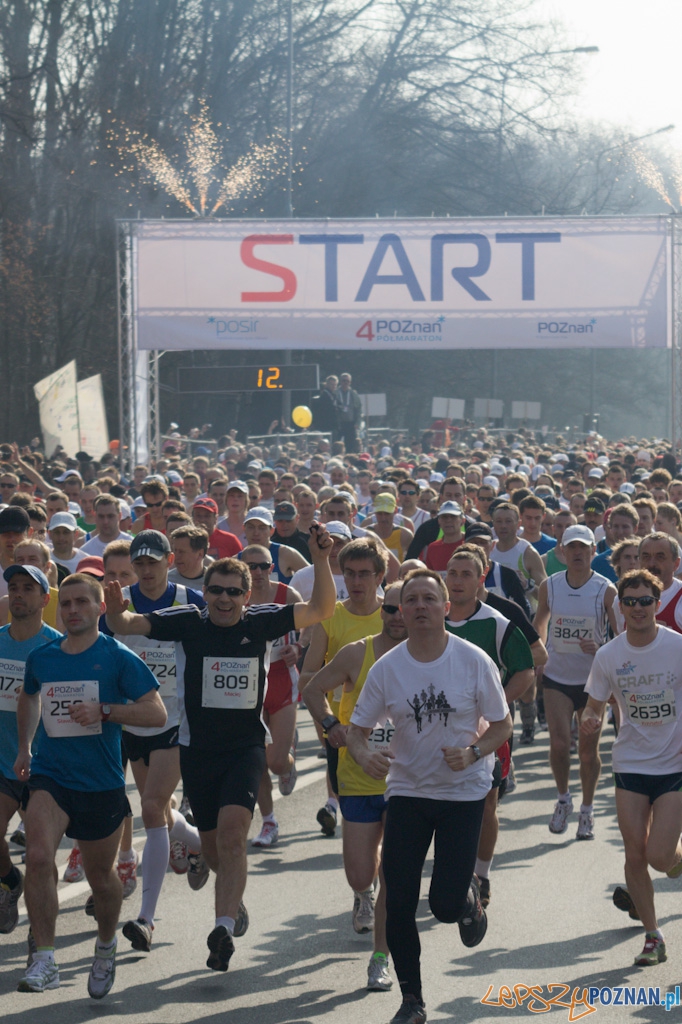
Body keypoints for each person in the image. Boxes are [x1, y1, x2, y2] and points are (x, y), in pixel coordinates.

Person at [104, 524, 335, 974]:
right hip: (197, 749)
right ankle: (233, 902)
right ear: (204, 593)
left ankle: (222, 930)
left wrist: (321, 559)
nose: (224, 599)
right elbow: (130, 624)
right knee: (212, 851)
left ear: (247, 596)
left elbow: (323, 607)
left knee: (233, 837)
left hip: (245, 748)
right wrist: (116, 611)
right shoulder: (189, 622)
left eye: (233, 592)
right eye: (216, 591)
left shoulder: (263, 621)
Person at [347, 569, 511, 1024]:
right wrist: (364, 757)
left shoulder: (473, 660)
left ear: (445, 607)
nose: (419, 606)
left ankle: (466, 899)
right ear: (401, 611)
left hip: (463, 793)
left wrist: (474, 751)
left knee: (441, 905)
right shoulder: (388, 668)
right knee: (399, 899)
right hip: (408, 791)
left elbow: (502, 726)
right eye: (410, 600)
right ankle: (412, 1000)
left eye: (428, 598)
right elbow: (357, 732)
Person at [15, 572, 166, 997]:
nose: (73, 610)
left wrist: (105, 710)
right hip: (51, 774)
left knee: (101, 879)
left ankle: (105, 945)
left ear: (101, 608)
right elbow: (29, 695)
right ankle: (44, 957)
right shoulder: (42, 657)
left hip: (100, 782)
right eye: (66, 604)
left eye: (83, 602)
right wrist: (25, 748)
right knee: (40, 855)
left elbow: (155, 714)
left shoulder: (117, 657)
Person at [302, 582, 407, 993]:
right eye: (393, 608)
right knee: (361, 873)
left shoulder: (433, 654)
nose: (399, 616)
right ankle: (364, 892)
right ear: (382, 609)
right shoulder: (356, 652)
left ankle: (380, 956)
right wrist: (331, 725)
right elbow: (311, 688)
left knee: (395, 874)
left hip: (408, 781)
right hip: (358, 775)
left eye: (406, 608)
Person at [109, 530, 207, 954]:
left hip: (176, 720)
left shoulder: (190, 600)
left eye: (154, 562)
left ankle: (146, 919)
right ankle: (202, 844)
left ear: (170, 560)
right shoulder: (119, 600)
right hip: (133, 721)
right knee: (162, 810)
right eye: (140, 563)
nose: (146, 570)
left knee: (150, 806)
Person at [582, 569, 682, 967]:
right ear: (620, 607)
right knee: (635, 852)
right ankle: (652, 937)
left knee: (660, 855)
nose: (638, 608)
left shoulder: (677, 647)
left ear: (658, 605)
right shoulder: (609, 655)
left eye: (646, 601)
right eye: (630, 602)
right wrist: (590, 720)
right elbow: (594, 705)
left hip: (673, 763)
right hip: (630, 763)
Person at [444, 546, 534, 907]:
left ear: (481, 579)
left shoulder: (497, 623)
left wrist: (495, 708)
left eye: (467, 574)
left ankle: (481, 873)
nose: (459, 580)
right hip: (437, 733)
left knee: (485, 806)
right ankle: (452, 870)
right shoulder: (432, 617)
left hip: (487, 734)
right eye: (453, 573)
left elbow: (526, 670)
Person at [533, 525, 617, 840]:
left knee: (586, 751)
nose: (578, 553)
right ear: (564, 552)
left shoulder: (605, 589)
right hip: (557, 676)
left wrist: (600, 649)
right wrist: (538, 656)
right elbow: (540, 623)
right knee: (557, 743)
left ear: (593, 551)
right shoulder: (549, 586)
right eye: (573, 548)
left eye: (584, 548)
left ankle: (588, 809)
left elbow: (620, 637)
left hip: (593, 683)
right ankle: (563, 799)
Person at [300, 538, 387, 838]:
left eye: (364, 573)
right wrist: (328, 722)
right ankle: (366, 880)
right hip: (345, 732)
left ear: (379, 577)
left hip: (393, 731)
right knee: (361, 828)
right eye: (349, 573)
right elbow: (307, 676)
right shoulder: (331, 616)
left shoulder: (394, 616)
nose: (355, 581)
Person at [0, 566, 61, 936]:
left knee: (41, 856)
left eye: (28, 588)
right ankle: (8, 880)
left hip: (44, 768)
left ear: (44, 599)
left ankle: (42, 934)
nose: (18, 594)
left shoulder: (57, 648)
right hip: (2, 761)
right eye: (13, 587)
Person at [243, 545, 302, 848]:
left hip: (280, 679)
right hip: (248, 683)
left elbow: (313, 623)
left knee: (276, 762)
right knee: (256, 759)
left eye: (263, 566)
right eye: (250, 567)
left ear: (271, 568)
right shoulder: (236, 596)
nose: (257, 573)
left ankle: (288, 756)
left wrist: (299, 647)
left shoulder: (286, 595)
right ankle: (269, 822)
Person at [335, 373, 363, 452]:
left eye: (347, 381)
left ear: (350, 382)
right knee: (337, 444)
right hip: (338, 424)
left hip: (350, 423)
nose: (345, 383)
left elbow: (359, 409)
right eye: (344, 381)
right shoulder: (336, 393)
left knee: (350, 445)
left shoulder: (353, 394)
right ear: (340, 381)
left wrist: (358, 422)